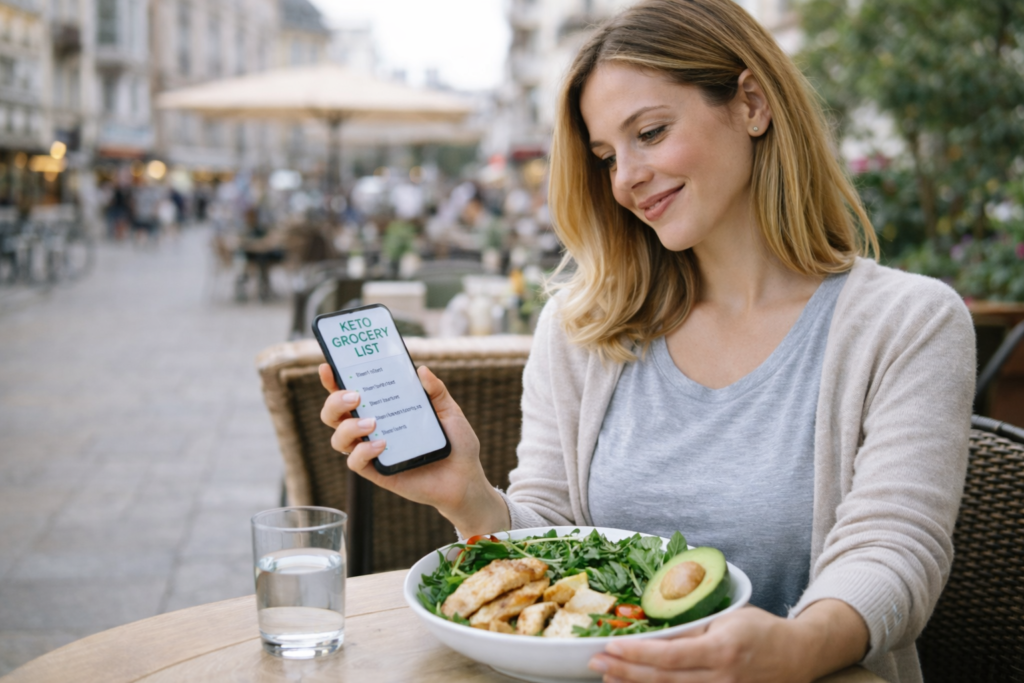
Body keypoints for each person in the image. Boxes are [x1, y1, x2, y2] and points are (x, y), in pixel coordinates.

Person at [318, 1, 974, 681]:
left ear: (751, 103)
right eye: (605, 156)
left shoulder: (909, 323)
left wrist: (796, 648)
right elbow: (552, 545)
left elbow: (895, 549)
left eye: (651, 133)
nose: (626, 178)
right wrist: (467, 496)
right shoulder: (582, 328)